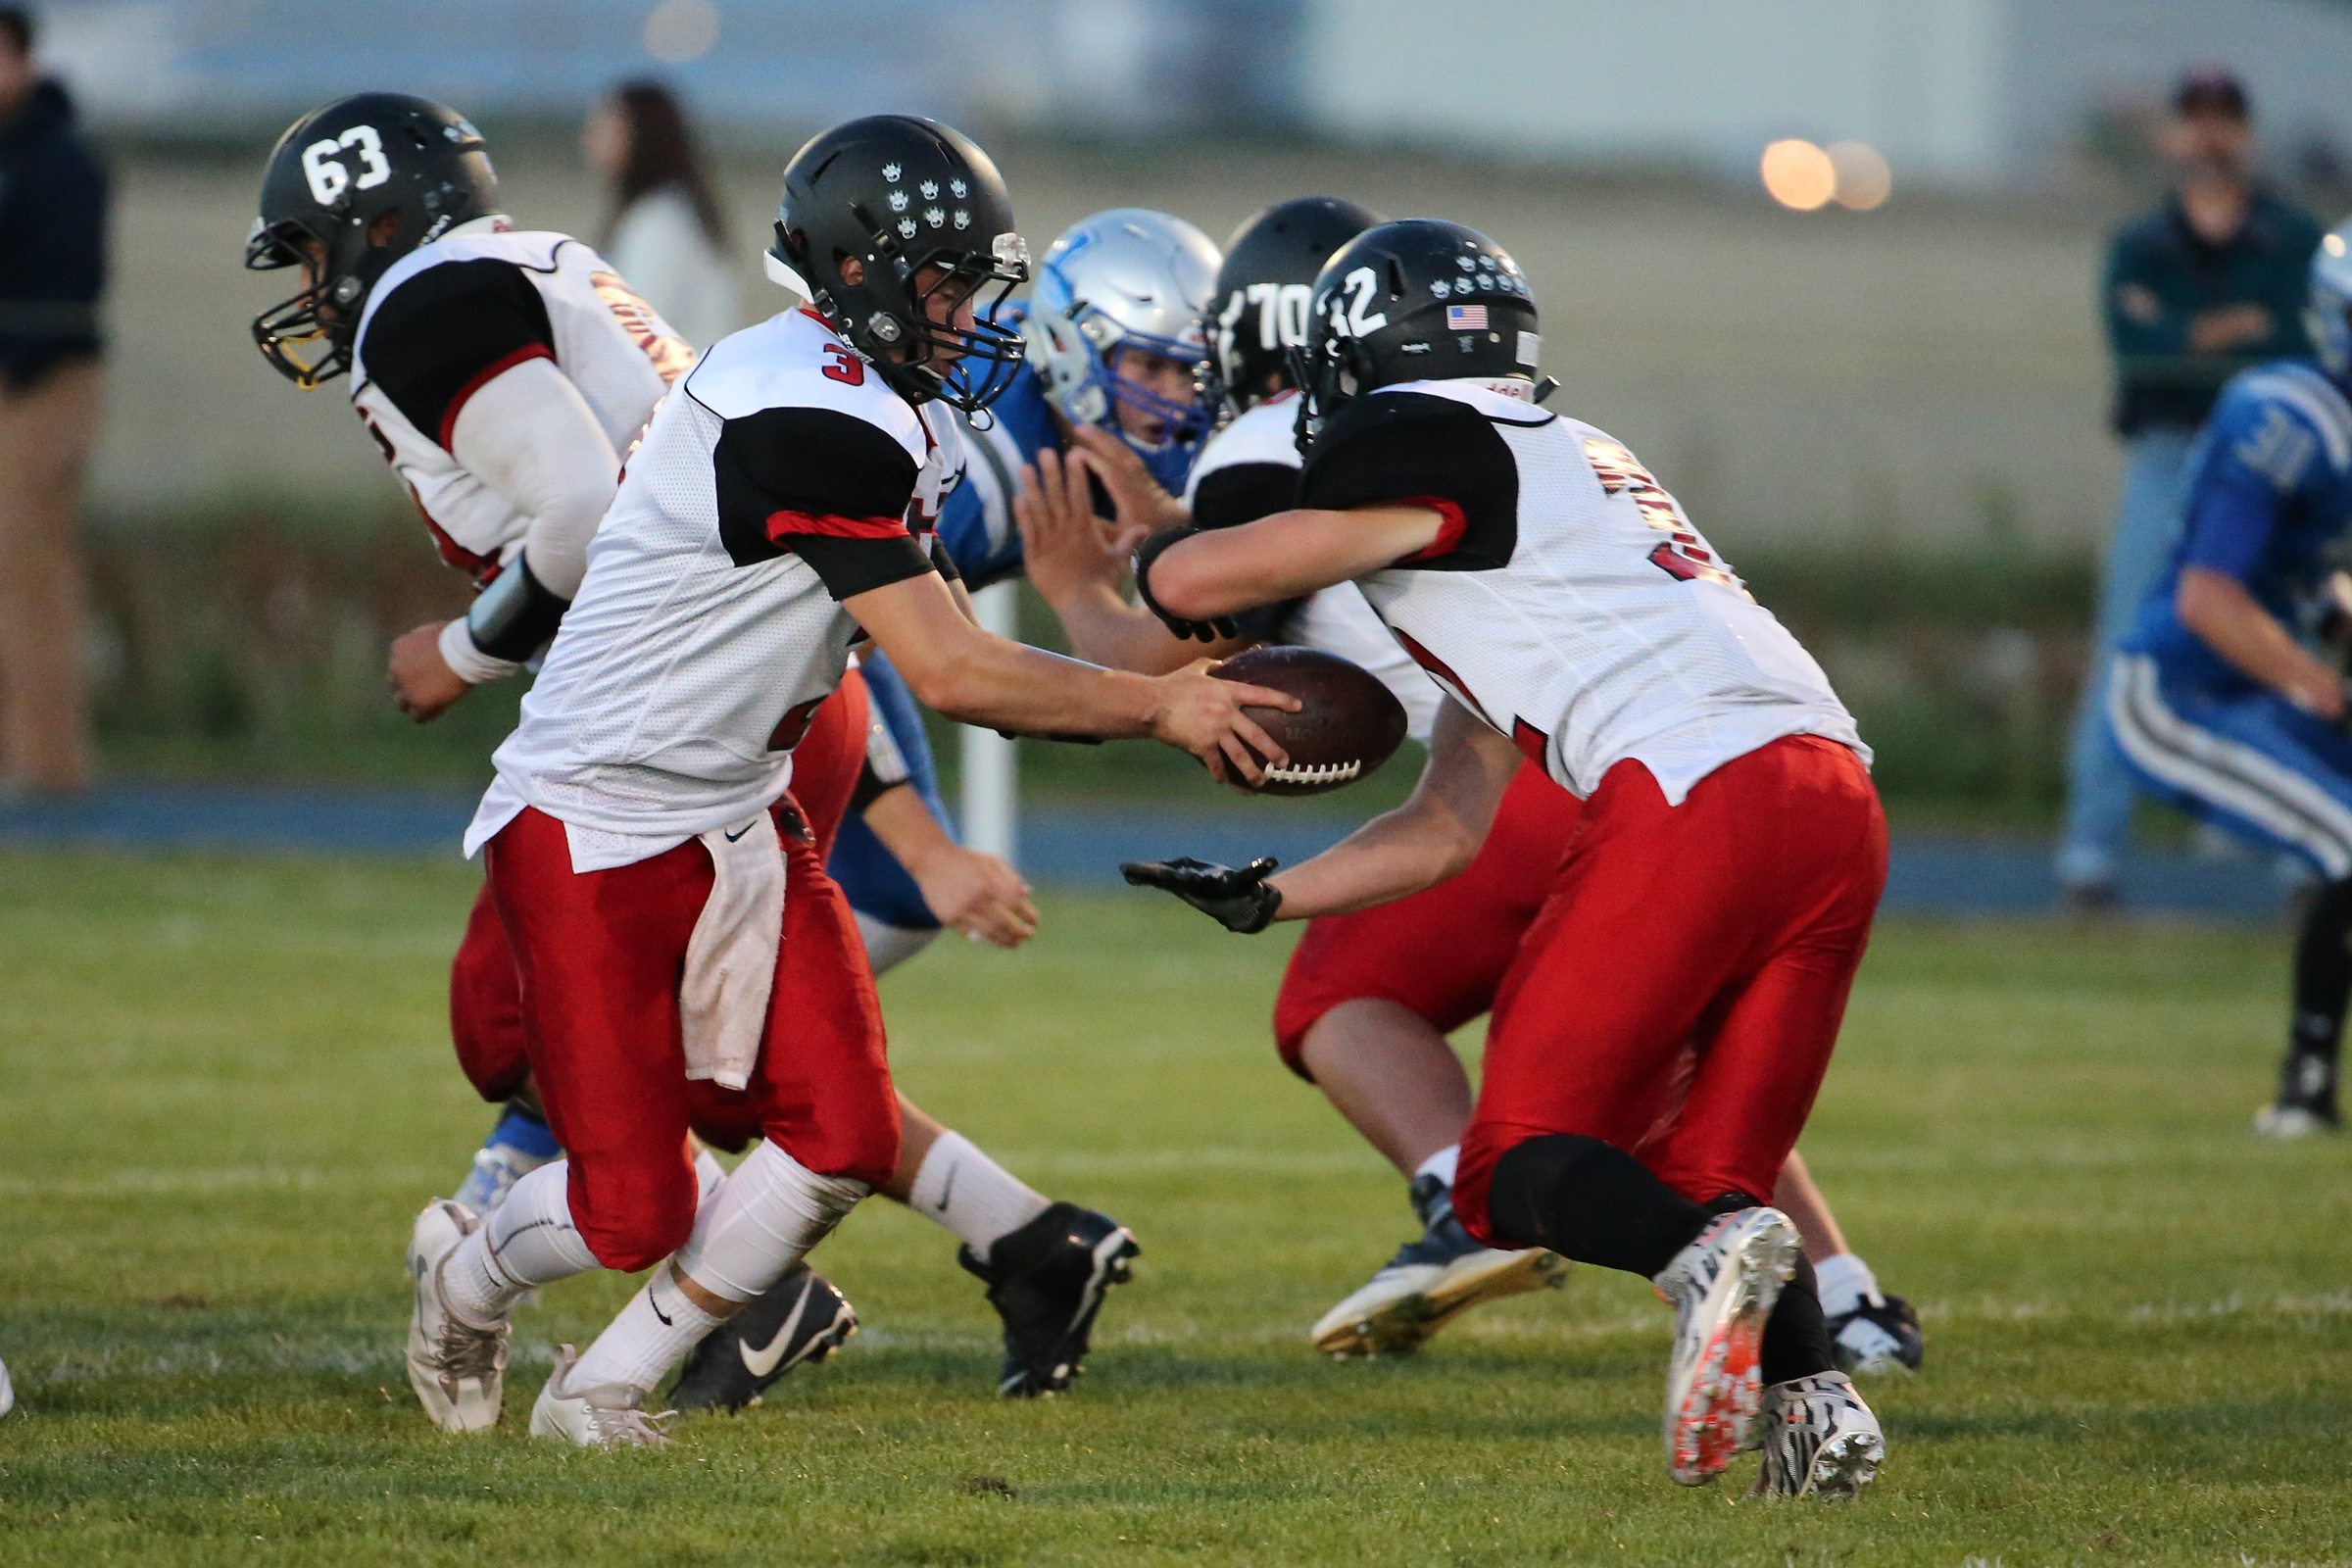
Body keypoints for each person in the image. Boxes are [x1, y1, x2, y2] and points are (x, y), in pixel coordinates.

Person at [403, 114, 1294, 1448]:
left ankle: (602, 1389)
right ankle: (467, 1287)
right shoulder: (804, 414)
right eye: (948, 284)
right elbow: (951, 670)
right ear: (863, 272)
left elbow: (920, 653)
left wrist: (1139, 647)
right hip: (597, 817)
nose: (970, 315)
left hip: (739, 807)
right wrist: (1159, 706)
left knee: (843, 1132)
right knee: (628, 1209)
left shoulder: (883, 402)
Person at [242, 95, 1123, 1424]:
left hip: (661, 735)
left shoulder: (426, 303)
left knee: (518, 1034)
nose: (313, 286)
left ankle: (694, 1276)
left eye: (314, 251)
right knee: (748, 1074)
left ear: (373, 227)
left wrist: (466, 653)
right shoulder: (544, 267)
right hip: (753, 710)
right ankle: (986, 1239)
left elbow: (585, 511)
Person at [1018, 196, 1922, 1377]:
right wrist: (1274, 895)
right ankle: (1822, 1389)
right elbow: (1446, 822)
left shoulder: (1418, 441)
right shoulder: (1569, 467)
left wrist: (1136, 554)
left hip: (1688, 788)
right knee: (1711, 1173)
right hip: (1834, 792)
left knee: (1514, 1163)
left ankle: (1677, 1256)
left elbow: (1190, 589)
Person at [2108, 220, 2352, 1142]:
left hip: (2247, 685)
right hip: (2176, 693)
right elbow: (2209, 599)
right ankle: (2303, 1092)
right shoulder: (2286, 417)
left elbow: (2300, 585)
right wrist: (2324, 687)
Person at [2061, 69, 2323, 908]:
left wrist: (2197, 336)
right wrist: (2234, 331)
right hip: (2167, 454)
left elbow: (2299, 343)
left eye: (2225, 117)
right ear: (2172, 133)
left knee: (2280, 643)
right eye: (2195, 118)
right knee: (2126, 640)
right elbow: (2142, 352)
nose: (2210, 134)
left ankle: (2308, 853)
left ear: (2245, 131)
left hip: (2265, 459)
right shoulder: (2141, 244)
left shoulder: (2292, 239)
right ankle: (2089, 856)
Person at [0, 4, 107, 796]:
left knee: (29, 568)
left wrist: (16, 359)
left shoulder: (61, 161)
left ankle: (48, 765)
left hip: (41, 382)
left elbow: (69, 282)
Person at [584, 79, 739, 350]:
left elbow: (637, 328)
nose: (590, 141)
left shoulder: (661, 221)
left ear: (641, 137)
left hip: (678, 372)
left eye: (607, 129)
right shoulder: (668, 210)